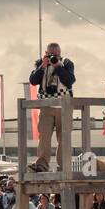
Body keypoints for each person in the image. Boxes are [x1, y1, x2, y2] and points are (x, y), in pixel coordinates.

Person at [28, 42, 76, 172]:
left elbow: (70, 81)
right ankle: (42, 164)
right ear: (45, 53)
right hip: (46, 105)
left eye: (56, 55)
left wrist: (59, 67)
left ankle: (64, 165)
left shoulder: (66, 63)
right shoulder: (40, 64)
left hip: (63, 104)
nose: (53, 58)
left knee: (64, 136)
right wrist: (43, 66)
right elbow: (33, 81)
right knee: (44, 135)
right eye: (50, 55)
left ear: (60, 53)